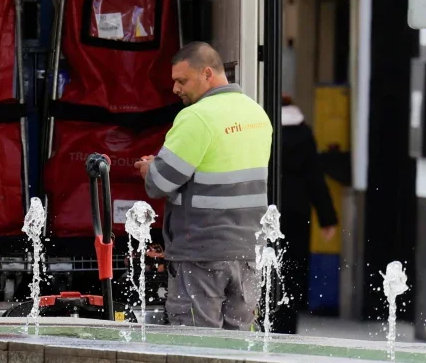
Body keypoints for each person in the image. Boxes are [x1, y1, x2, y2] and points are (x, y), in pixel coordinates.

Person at [134, 42, 273, 329]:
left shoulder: (196, 117)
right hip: (247, 253)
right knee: (240, 346)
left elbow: (161, 182)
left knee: (196, 345)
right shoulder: (257, 114)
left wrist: (150, 168)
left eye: (181, 80)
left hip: (201, 252)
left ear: (207, 74)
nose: (175, 89)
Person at [271, 95, 338, 335]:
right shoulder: (304, 133)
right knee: (294, 269)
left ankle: (265, 319)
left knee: (268, 265)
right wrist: (327, 218)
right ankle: (288, 324)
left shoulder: (265, 131)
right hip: (298, 212)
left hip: (268, 210)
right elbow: (315, 177)